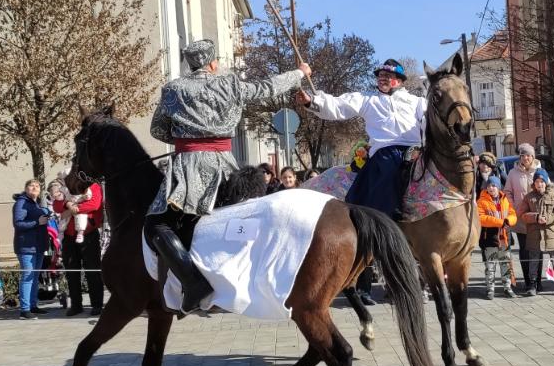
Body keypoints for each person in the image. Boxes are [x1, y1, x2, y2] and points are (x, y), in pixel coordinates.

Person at [145, 39, 311, 314]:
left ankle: (193, 282)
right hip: (225, 165)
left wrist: (186, 137)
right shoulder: (230, 83)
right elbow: (267, 88)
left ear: (191, 64)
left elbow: (158, 130)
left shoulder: (173, 89)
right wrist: (299, 73)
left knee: (156, 225)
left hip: (188, 167)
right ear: (212, 63)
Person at [296, 58, 425, 305]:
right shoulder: (369, 101)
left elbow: (435, 116)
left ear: (399, 81)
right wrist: (314, 101)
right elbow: (340, 105)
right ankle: (386, 219)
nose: (382, 79)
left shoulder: (417, 102)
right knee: (367, 214)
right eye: (380, 76)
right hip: (386, 155)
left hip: (415, 151)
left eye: (387, 76)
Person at [53, 181, 104, 316]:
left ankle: (97, 304)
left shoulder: (94, 186)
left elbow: (94, 204)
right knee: (71, 272)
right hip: (69, 237)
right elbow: (57, 206)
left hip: (88, 235)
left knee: (92, 271)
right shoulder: (65, 186)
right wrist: (67, 204)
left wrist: (72, 209)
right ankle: (76, 305)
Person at [518, 169, 554, 296]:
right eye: (537, 182)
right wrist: (535, 217)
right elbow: (522, 215)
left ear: (546, 182)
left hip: (551, 234)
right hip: (535, 235)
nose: (540, 184)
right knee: (534, 260)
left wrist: (549, 219)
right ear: (534, 184)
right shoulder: (528, 197)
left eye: (542, 181)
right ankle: (532, 285)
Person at [504, 143, 543, 292]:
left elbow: (548, 188)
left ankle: (537, 281)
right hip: (520, 218)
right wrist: (514, 207)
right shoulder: (513, 173)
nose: (525, 158)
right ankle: (528, 281)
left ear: (533, 156)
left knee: (537, 250)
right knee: (524, 250)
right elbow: (507, 192)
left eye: (528, 155)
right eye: (522, 155)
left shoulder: (539, 171)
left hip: (536, 217)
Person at [13, 179, 51, 320]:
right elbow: (18, 224)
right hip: (26, 247)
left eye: (37, 186)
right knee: (27, 277)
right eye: (31, 185)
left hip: (38, 247)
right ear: (25, 188)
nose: (34, 188)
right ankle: (24, 309)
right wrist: (37, 222)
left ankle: (33, 306)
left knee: (34, 277)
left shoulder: (35, 203)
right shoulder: (21, 203)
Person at [477, 176, 518, 299]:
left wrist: (508, 221)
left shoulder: (504, 199)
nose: (491, 188)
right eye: (489, 186)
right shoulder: (481, 201)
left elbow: (513, 214)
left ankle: (507, 287)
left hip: (504, 238)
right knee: (490, 266)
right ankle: (490, 289)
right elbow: (481, 218)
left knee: (505, 264)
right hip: (489, 238)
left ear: (498, 187)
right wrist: (499, 222)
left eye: (494, 185)